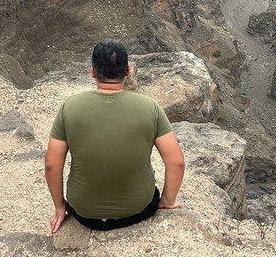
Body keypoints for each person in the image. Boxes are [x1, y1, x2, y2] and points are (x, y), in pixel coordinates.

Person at [45, 39, 185, 234]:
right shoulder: (150, 107)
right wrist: (168, 201)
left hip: (85, 214)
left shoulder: (69, 108)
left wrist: (60, 207)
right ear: (128, 71)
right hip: (140, 210)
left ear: (92, 71)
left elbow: (52, 165)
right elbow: (176, 162)